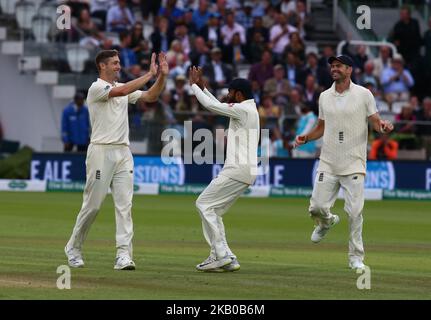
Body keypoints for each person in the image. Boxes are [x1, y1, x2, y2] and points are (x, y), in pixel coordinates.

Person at [64, 50, 169, 270]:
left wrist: (162, 77)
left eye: (119, 62)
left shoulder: (122, 89)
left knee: (124, 206)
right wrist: (149, 73)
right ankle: (73, 247)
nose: (118, 66)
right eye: (114, 63)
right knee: (93, 205)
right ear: (102, 66)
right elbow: (122, 90)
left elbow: (150, 97)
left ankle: (123, 255)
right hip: (101, 152)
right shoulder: (96, 88)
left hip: (123, 152)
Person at [294, 55, 394, 271]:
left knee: (355, 212)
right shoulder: (324, 96)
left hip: (354, 162)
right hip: (328, 161)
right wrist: (306, 137)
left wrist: (383, 126)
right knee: (317, 207)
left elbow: (375, 122)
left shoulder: (364, 94)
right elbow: (321, 127)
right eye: (332, 66)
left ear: (349, 69)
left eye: (338, 66)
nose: (334, 69)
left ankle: (356, 257)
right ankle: (326, 221)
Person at [189, 67, 259, 272]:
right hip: (245, 170)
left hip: (236, 169)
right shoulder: (248, 109)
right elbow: (218, 104)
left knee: (203, 203)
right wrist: (204, 87)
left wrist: (193, 86)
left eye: (230, 93)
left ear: (239, 94)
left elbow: (211, 106)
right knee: (215, 211)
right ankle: (226, 256)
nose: (227, 96)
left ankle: (220, 254)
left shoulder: (242, 110)